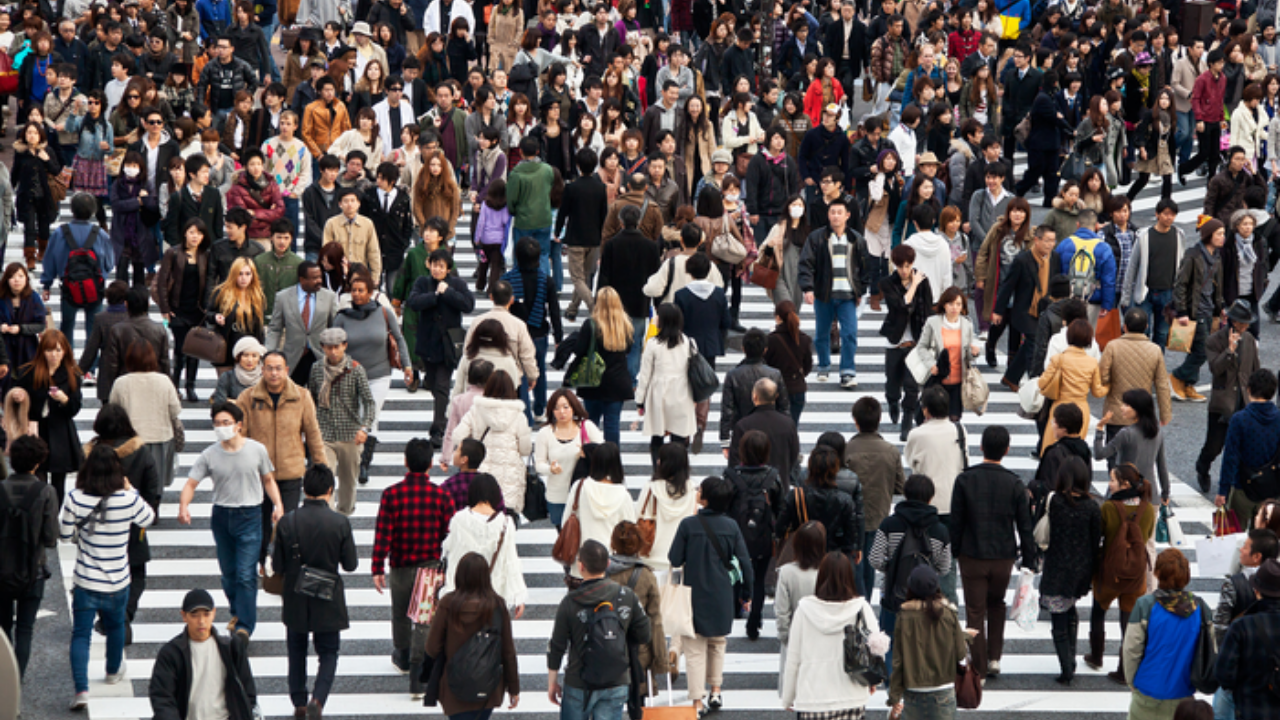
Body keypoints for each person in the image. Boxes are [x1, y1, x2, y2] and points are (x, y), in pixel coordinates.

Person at [60, 442, 155, 710]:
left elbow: (65, 534)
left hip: (86, 580)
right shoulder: (127, 499)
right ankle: (113, 671)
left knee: (81, 635)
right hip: (118, 579)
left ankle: (81, 689)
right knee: (115, 626)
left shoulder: (75, 497)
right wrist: (131, 490)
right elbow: (148, 518)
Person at [176, 402, 282, 638]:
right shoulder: (209, 454)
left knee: (246, 574)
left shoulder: (256, 450)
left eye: (226, 423)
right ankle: (237, 610)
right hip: (222, 516)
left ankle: (245, 625)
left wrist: (278, 504)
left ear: (239, 425)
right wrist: (184, 505)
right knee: (228, 574)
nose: (221, 428)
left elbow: (268, 480)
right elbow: (191, 483)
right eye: (217, 424)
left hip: (251, 515)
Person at [950, 425, 1037, 680]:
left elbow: (956, 521)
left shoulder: (965, 479)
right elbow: (1025, 526)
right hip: (1003, 556)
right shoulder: (1014, 483)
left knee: (975, 610)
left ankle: (979, 667)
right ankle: (995, 657)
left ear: (981, 447)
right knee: (996, 604)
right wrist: (1029, 560)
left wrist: (954, 551)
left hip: (972, 554)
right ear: (1007, 450)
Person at [271, 464, 358, 719]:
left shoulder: (288, 522)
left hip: (296, 595)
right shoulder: (340, 523)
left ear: (304, 489)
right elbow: (350, 565)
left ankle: (298, 702)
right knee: (329, 652)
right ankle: (317, 699)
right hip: (327, 595)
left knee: (296, 651)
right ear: (330, 490)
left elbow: (277, 565)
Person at [371, 437, 455, 684]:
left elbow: (383, 533)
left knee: (399, 613)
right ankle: (419, 671)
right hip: (429, 566)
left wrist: (377, 567)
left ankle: (403, 655)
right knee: (424, 618)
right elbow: (447, 534)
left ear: (405, 462)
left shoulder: (391, 495)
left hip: (400, 566)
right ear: (430, 464)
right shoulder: (441, 496)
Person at [669, 475, 753, 717]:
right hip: (722, 595)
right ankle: (716, 690)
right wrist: (746, 593)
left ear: (704, 498)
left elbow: (674, 559)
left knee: (694, 649)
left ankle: (697, 702)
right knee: (717, 643)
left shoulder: (688, 525)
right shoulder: (732, 527)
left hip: (694, 596)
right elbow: (745, 564)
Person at [547, 539, 651, 720]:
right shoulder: (626, 595)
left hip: (579, 681)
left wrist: (552, 682)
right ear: (608, 564)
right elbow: (644, 634)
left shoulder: (571, 601)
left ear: (581, 566)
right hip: (615, 679)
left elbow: (557, 646)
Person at [781, 551, 883, 719]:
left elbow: (793, 658)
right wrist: (873, 680)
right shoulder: (861, 607)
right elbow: (877, 647)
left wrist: (788, 697)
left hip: (812, 700)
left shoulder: (805, 609)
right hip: (851, 697)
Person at [870, 473, 953, 673]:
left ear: (905, 495)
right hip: (927, 598)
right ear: (931, 498)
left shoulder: (889, 524)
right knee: (922, 643)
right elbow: (944, 568)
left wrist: (891, 568)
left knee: (889, 642)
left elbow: (875, 559)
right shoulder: (940, 530)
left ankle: (893, 692)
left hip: (893, 593)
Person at [334, 270, 412, 483]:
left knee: (369, 416)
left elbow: (399, 338)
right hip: (349, 375)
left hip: (379, 374)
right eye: (354, 290)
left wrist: (407, 365)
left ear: (370, 292)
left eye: (361, 290)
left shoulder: (384, 313)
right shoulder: (342, 317)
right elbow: (333, 345)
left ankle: (363, 463)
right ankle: (354, 459)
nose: (357, 294)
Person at [426, 551, 522, 718]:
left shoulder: (448, 604)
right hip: (488, 686)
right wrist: (513, 688)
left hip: (454, 685)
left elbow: (432, 647)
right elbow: (508, 652)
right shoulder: (497, 605)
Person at [1084, 463, 1157, 683]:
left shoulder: (1108, 508)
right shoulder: (1148, 510)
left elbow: (1099, 537)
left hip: (1109, 572)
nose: (1109, 483)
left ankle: (1096, 656)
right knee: (1128, 621)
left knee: (1099, 611)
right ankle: (1124, 669)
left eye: (1113, 480)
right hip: (1136, 574)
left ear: (1124, 484)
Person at [1121, 549, 1211, 717]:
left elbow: (1131, 649)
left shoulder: (1145, 606)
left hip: (1147, 692)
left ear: (1156, 573)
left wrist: (1132, 682)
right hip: (1183, 695)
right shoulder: (1200, 608)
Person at [1038, 456, 1102, 685]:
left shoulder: (1054, 502)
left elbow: (1041, 530)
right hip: (1081, 570)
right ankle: (1071, 658)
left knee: (1058, 618)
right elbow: (1096, 542)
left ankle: (1067, 666)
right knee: (1070, 607)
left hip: (1056, 567)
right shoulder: (1093, 507)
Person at [147, 588, 258, 720]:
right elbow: (162, 697)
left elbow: (247, 690)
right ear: (184, 616)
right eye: (194, 615)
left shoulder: (231, 646)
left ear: (214, 613)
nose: (201, 621)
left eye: (206, 614)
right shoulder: (171, 653)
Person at [0, 436, 56, 680]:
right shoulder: (45, 492)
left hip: (1, 570)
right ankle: (16, 686)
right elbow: (51, 537)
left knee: (3, 630)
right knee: (25, 629)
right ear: (38, 462)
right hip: (34, 570)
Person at [406, 248, 475, 445]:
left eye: (441, 266)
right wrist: (435, 296)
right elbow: (413, 302)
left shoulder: (457, 284)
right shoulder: (422, 282)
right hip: (428, 343)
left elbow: (468, 304)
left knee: (443, 386)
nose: (437, 269)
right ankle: (443, 416)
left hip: (448, 345)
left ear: (448, 268)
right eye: (434, 265)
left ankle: (438, 429)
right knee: (433, 383)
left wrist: (448, 293)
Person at [887, 564, 973, 719]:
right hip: (943, 689)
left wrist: (894, 697)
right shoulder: (948, 613)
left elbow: (898, 661)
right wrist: (964, 636)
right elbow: (961, 655)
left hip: (913, 692)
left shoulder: (904, 617)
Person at [1199, 301, 1263, 501]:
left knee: (1242, 447)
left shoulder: (1250, 339)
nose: (1245, 327)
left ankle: (1237, 483)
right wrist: (1230, 350)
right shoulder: (1214, 340)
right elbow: (1215, 369)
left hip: (1245, 402)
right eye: (1242, 323)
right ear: (1233, 321)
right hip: (1222, 403)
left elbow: (1255, 369)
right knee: (1214, 446)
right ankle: (1203, 466)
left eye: (1247, 324)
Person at [797, 197, 864, 388]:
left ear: (847, 215)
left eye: (839, 212)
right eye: (832, 212)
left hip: (848, 295)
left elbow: (865, 266)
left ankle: (848, 371)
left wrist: (862, 289)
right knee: (821, 333)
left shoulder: (856, 239)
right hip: (824, 292)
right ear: (828, 215)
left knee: (850, 333)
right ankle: (824, 365)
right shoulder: (817, 237)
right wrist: (808, 288)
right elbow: (806, 263)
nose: (836, 216)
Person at [723, 429, 782, 640]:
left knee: (735, 571)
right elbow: (780, 507)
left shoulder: (731, 476)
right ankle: (755, 618)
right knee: (759, 578)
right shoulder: (773, 477)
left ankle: (736, 606)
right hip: (763, 534)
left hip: (736, 533)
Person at [439, 473, 526, 611]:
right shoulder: (505, 523)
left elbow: (452, 558)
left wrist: (448, 592)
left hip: (462, 596)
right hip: (494, 595)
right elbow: (511, 561)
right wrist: (518, 597)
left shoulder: (459, 520)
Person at [15, 329, 84, 502]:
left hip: (61, 432)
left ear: (65, 351)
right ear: (42, 351)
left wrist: (64, 399)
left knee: (58, 481)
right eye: (49, 350)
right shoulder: (29, 373)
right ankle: (39, 513)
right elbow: (17, 398)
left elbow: (75, 408)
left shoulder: (72, 375)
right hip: (36, 430)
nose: (54, 355)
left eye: (58, 350)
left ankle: (53, 517)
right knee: (38, 477)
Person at [108, 340, 183, 494]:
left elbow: (113, 412)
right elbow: (175, 410)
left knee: (130, 486)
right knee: (155, 486)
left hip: (130, 442)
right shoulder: (164, 381)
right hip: (160, 438)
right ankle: (153, 514)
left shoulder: (121, 383)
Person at [606, 521, 670, 699]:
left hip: (607, 648)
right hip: (639, 652)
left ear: (613, 544)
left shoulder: (603, 574)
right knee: (637, 702)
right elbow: (655, 621)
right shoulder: (647, 576)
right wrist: (660, 659)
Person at [42, 192, 115, 344]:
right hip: (94, 287)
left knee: (67, 325)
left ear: (72, 210)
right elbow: (109, 263)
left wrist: (47, 284)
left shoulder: (60, 233)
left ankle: (67, 362)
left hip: (69, 286)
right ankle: (91, 366)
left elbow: (50, 259)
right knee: (93, 328)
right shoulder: (100, 234)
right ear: (93, 211)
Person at [455, 371, 533, 513]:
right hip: (509, 478)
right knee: (506, 527)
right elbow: (525, 449)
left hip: (481, 475)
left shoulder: (476, 410)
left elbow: (458, 436)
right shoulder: (519, 415)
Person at [1169, 218, 1226, 403]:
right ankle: (1177, 376)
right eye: (1219, 234)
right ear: (1209, 235)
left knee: (1197, 349)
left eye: (1223, 233)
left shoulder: (1216, 256)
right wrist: (1182, 311)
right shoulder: (1193, 255)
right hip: (1195, 310)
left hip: (1209, 309)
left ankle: (1189, 384)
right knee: (1202, 351)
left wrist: (1220, 308)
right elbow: (1180, 285)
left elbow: (1216, 286)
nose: (1222, 237)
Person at [880, 245, 933, 437]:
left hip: (916, 342)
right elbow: (901, 306)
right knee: (893, 384)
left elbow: (928, 310)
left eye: (907, 265)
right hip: (895, 341)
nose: (904, 270)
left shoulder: (923, 281)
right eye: (900, 266)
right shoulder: (887, 283)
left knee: (912, 387)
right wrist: (914, 286)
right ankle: (892, 401)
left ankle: (907, 421)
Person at [534, 388, 604, 527]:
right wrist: (550, 469)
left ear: (574, 407)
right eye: (556, 408)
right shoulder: (545, 433)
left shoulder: (587, 428)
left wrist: (588, 454)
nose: (562, 412)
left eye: (566, 407)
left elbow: (604, 455)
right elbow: (539, 464)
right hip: (557, 496)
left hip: (585, 494)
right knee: (565, 540)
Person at [1218, 370, 1280, 528]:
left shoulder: (1239, 419)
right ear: (1273, 392)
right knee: (1265, 541)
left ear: (1249, 389)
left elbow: (1230, 457)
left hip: (1242, 487)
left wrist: (1223, 490)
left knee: (1235, 538)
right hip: (1272, 489)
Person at [636, 303, 697, 458]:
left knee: (657, 437)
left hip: (659, 394)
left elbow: (645, 375)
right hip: (682, 393)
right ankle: (678, 473)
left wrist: (640, 400)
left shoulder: (653, 344)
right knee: (679, 438)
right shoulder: (688, 342)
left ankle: (658, 472)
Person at [1099, 307, 1173, 435]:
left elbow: (1102, 377)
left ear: (1125, 327)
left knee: (1114, 451)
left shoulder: (1112, 346)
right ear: (1146, 326)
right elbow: (1162, 385)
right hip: (1142, 413)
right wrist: (1165, 414)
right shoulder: (1155, 350)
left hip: (1116, 412)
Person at [267, 261, 339, 388]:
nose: (319, 281)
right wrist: (269, 353)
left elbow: (335, 327)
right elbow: (275, 328)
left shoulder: (329, 297)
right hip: (293, 357)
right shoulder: (283, 297)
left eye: (320, 277)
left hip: (319, 356)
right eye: (314, 278)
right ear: (302, 280)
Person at [1095, 389, 1171, 504]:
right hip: (1150, 497)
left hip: (1123, 496)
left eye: (1126, 405)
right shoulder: (1157, 433)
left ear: (1138, 409)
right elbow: (1162, 465)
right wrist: (1165, 492)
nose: (1121, 408)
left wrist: (1099, 429)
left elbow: (1099, 454)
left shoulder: (1126, 433)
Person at [101, 285, 169, 398]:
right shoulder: (159, 329)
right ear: (148, 304)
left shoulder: (117, 330)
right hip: (153, 383)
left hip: (126, 383)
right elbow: (164, 361)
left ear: (126, 304)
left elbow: (112, 364)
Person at [206, 256, 267, 375]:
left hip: (248, 348)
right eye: (240, 274)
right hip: (226, 346)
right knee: (226, 385)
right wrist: (215, 317)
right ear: (234, 274)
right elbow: (208, 314)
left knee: (246, 387)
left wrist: (260, 348)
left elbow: (259, 325)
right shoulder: (222, 292)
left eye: (248, 274)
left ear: (253, 275)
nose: (244, 278)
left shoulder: (257, 295)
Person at [763, 301, 813, 424]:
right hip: (797, 388)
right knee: (792, 426)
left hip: (775, 390)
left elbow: (765, 365)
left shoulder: (771, 340)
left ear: (778, 317)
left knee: (775, 426)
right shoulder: (804, 339)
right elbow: (808, 366)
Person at [0, 263, 44, 394]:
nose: (16, 280)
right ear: (6, 279)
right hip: (3, 344)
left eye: (20, 276)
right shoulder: (1, 297)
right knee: (5, 379)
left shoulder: (33, 297)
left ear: (26, 279)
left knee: (26, 379)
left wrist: (21, 329)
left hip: (27, 346)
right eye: (12, 277)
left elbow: (40, 324)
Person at [254, 222, 304, 319]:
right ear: (271, 238)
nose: (282, 242)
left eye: (286, 238)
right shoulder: (259, 261)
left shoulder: (298, 263)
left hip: (289, 318)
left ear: (291, 239)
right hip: (263, 316)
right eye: (279, 237)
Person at [211, 338, 264, 406]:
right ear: (238, 357)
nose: (250, 360)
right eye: (245, 355)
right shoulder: (227, 377)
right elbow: (220, 402)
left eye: (254, 356)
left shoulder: (265, 377)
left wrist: (234, 401)